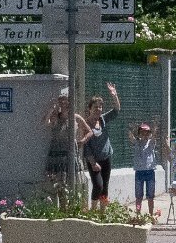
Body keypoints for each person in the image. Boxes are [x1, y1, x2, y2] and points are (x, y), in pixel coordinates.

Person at [78, 82, 121, 211]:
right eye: (95, 107)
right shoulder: (86, 124)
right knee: (98, 185)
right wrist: (93, 163)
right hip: (94, 160)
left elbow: (116, 110)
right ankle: (93, 210)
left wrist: (114, 95)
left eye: (100, 107)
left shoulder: (102, 119)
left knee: (105, 186)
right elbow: (86, 147)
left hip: (106, 157)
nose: (98, 109)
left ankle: (102, 213)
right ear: (90, 108)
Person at [129, 121, 162, 215]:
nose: (145, 135)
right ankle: (138, 214)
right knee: (138, 196)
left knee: (150, 196)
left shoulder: (151, 143)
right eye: (142, 133)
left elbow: (154, 137)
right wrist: (131, 129)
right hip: (139, 172)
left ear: (149, 134)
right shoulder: (136, 142)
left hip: (150, 172)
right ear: (139, 134)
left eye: (147, 133)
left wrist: (155, 129)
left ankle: (151, 214)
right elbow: (131, 137)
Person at [43, 88, 72, 187]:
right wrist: (51, 110)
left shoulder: (73, 117)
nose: (63, 102)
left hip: (67, 152)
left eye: (65, 100)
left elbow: (89, 131)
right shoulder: (56, 117)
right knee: (54, 179)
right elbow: (46, 123)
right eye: (61, 100)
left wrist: (82, 141)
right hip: (56, 150)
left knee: (66, 179)